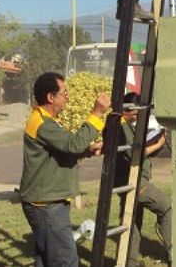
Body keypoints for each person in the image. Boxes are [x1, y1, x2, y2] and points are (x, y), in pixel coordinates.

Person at [19, 72, 110, 267]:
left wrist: (86, 150)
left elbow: (64, 149)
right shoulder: (43, 124)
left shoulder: (47, 121)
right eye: (64, 93)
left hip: (44, 202)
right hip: (46, 205)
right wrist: (96, 113)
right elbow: (72, 145)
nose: (67, 97)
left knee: (46, 260)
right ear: (51, 97)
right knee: (65, 261)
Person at [114, 92, 171, 267]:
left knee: (132, 223)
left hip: (131, 180)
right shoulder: (121, 125)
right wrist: (158, 144)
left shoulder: (123, 124)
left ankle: (128, 262)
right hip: (134, 181)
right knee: (166, 208)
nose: (137, 117)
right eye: (136, 113)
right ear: (128, 109)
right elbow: (135, 153)